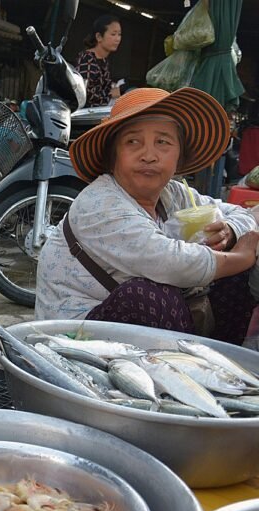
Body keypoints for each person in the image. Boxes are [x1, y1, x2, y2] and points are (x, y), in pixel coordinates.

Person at [35, 87, 259, 345]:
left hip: (152, 326)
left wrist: (231, 229)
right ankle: (183, 371)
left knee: (232, 275)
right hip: (76, 336)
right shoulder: (99, 203)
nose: (149, 155)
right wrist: (241, 256)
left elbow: (240, 213)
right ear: (113, 156)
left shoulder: (174, 194)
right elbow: (170, 262)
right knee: (148, 293)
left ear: (179, 156)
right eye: (133, 142)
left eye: (163, 142)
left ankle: (219, 362)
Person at [76, 15, 122, 107]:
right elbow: (84, 93)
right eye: (113, 34)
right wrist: (110, 94)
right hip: (86, 116)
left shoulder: (104, 61)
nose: (117, 39)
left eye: (119, 34)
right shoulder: (88, 59)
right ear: (99, 37)